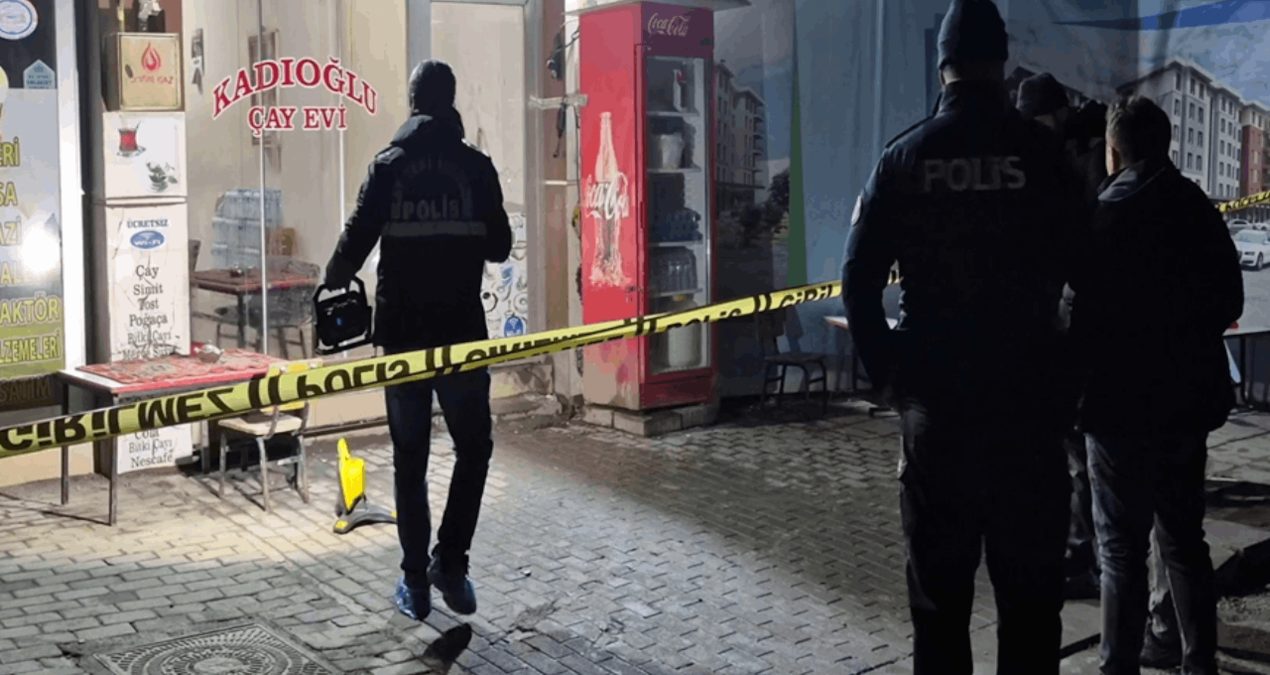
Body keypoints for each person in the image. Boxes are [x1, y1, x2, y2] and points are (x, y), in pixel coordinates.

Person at [843, 1, 1087, 672]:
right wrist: (1068, 381)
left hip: (940, 419)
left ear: (942, 66)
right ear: (1003, 64)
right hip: (1029, 417)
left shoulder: (905, 157)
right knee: (1031, 614)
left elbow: (858, 282)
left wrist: (893, 378)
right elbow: (1097, 279)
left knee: (939, 612)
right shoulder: (1045, 157)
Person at [325, 59, 512, 621]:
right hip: (460, 333)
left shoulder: (389, 166)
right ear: (451, 101)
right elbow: (501, 247)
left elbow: (352, 246)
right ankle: (450, 563)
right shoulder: (476, 167)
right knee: (473, 448)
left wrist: (333, 281)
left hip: (403, 336)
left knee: (411, 459)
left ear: (412, 102)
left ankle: (415, 583)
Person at [1070, 95, 1243, 675]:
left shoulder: (1102, 215)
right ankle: (1199, 663)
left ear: (1113, 152)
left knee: (1120, 549)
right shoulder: (1197, 207)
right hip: (1185, 404)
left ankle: (1118, 666)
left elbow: (1076, 317)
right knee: (1184, 541)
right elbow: (1229, 300)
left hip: (1116, 407)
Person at [1016, 72, 1108, 601]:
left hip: (1079, 334)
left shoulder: (1078, 161)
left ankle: (1090, 557)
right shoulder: (1068, 156)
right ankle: (1084, 552)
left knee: (1080, 457)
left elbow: (1082, 252)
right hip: (1068, 331)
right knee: (1074, 457)